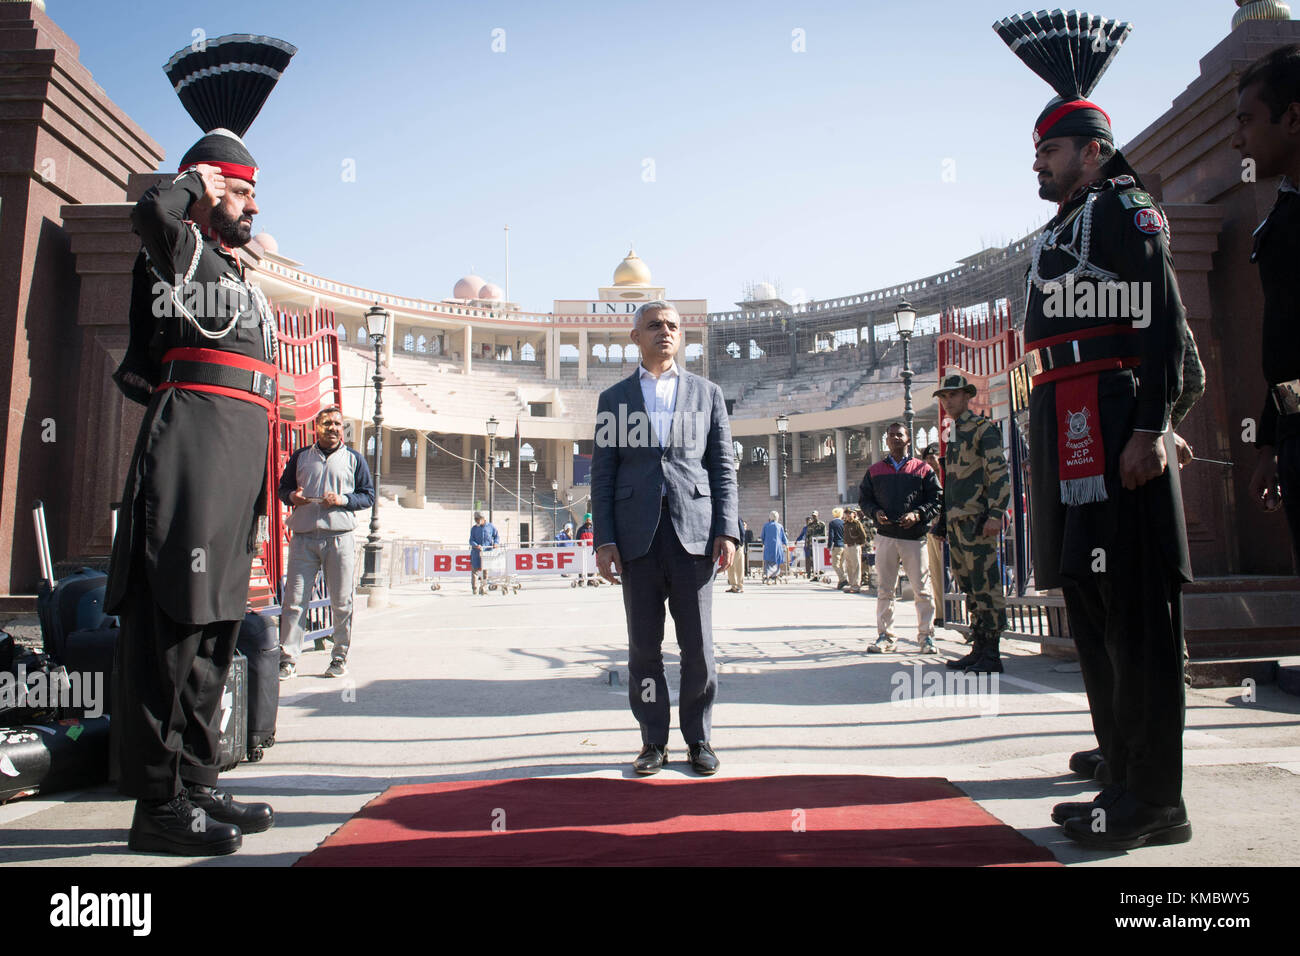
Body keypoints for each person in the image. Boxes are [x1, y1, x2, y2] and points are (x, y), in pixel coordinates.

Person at [996, 11, 1194, 849]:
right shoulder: (1062, 226)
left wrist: (1152, 425)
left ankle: (1157, 801)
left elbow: (1165, 327)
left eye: (1047, 150)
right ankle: (1122, 779)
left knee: (1139, 617)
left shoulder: (1129, 210)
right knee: (1094, 604)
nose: (1036, 163)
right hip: (1067, 425)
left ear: (1091, 149)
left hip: (1117, 427)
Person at [105, 35, 294, 856]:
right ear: (210, 190)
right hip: (190, 454)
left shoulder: (235, 271)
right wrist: (193, 182)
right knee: (174, 630)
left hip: (235, 459)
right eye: (241, 193)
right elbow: (148, 212)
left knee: (217, 625)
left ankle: (196, 782)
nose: (253, 208)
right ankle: (158, 809)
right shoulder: (177, 248)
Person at [590, 300, 738, 776]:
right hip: (637, 540)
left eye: (673, 326)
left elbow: (723, 469)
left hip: (694, 535)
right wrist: (604, 539)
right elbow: (603, 475)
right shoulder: (613, 400)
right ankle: (653, 741)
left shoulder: (708, 394)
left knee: (698, 647)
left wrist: (727, 530)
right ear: (635, 337)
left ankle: (699, 739)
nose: (665, 332)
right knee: (644, 649)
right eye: (654, 325)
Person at [1233, 45, 1300, 565]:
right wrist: (1273, 440)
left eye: (1248, 122)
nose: (1238, 139)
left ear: (1293, 117)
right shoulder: (1284, 212)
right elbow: (1284, 339)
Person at [276, 406, 374, 680]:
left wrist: (342, 500)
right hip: (304, 537)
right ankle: (288, 659)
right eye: (327, 423)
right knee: (294, 600)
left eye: (337, 424)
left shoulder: (354, 459)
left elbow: (368, 496)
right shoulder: (301, 457)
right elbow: (283, 488)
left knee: (342, 601)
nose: (333, 428)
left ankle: (339, 656)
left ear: (343, 429)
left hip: (339, 538)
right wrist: (292, 498)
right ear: (316, 427)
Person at [931, 378, 1011, 673]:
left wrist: (996, 513)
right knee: (969, 585)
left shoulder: (983, 429)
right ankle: (978, 646)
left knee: (986, 584)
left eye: (952, 395)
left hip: (977, 519)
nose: (947, 402)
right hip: (957, 521)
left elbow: (998, 474)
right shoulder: (953, 432)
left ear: (966, 396)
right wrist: (943, 519)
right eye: (943, 397)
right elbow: (950, 480)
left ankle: (992, 652)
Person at [858, 422, 941, 653]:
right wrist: (875, 513)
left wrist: (918, 514)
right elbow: (864, 500)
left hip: (914, 538)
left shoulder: (923, 469)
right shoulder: (875, 471)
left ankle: (926, 636)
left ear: (908, 439)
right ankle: (886, 636)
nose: (895, 438)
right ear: (886, 440)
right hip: (886, 536)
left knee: (922, 589)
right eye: (891, 435)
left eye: (899, 434)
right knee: (885, 589)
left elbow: (936, 499)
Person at [921, 445, 947, 626]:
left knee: (951, 571)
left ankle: (958, 610)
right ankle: (942, 612)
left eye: (933, 456)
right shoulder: (926, 479)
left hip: (948, 528)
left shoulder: (948, 475)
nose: (930, 460)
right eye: (927, 457)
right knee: (936, 571)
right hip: (932, 528)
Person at [469, 512, 499, 595]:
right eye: (475, 520)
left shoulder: (490, 527)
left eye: (477, 519)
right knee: (474, 571)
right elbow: (471, 540)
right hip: (476, 552)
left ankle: (484, 588)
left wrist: (496, 543)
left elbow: (496, 536)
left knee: (485, 571)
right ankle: (474, 589)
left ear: (482, 519)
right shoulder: (474, 528)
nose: (476, 521)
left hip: (486, 552)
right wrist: (476, 545)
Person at [842, 507, 868, 594]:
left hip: (854, 546)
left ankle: (856, 585)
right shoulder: (845, 524)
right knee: (849, 566)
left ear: (854, 514)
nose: (848, 515)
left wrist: (859, 544)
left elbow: (863, 536)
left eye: (850, 513)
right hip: (847, 547)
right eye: (847, 513)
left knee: (856, 566)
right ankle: (851, 584)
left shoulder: (857, 523)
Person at [761, 511, 788, 583]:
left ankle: (768, 576)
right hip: (777, 548)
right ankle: (775, 576)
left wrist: (764, 543)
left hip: (768, 548)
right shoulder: (779, 526)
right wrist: (786, 544)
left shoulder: (766, 526)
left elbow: (762, 537)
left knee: (768, 563)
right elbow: (784, 538)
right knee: (777, 562)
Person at [576, 513, 599, 585]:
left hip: (592, 551)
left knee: (591, 565)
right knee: (582, 565)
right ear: (585, 520)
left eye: (589, 519)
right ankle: (581, 580)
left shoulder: (593, 529)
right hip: (583, 551)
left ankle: (591, 580)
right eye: (587, 519)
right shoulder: (581, 529)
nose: (588, 521)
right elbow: (577, 539)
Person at [828, 507, 847, 589]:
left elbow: (831, 535)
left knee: (835, 565)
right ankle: (841, 582)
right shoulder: (844, 523)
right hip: (844, 545)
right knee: (841, 565)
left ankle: (843, 579)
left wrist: (829, 545)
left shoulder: (832, 523)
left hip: (837, 545)